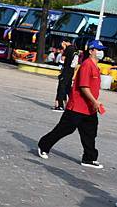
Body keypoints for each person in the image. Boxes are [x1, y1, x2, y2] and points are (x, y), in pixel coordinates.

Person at [38, 40, 105, 169]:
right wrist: (95, 101)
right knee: (65, 128)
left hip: (89, 108)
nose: (101, 52)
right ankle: (43, 145)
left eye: (101, 49)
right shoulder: (87, 65)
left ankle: (89, 158)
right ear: (91, 51)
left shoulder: (96, 67)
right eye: (98, 49)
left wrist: (94, 103)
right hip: (77, 106)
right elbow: (84, 87)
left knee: (90, 133)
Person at [53, 39, 77, 111]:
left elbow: (62, 59)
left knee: (61, 87)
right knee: (67, 88)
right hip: (71, 71)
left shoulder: (68, 49)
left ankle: (60, 105)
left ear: (64, 42)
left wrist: (64, 49)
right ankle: (70, 104)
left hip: (66, 70)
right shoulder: (75, 49)